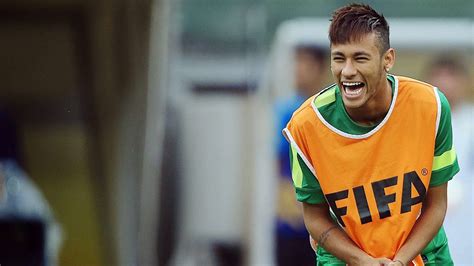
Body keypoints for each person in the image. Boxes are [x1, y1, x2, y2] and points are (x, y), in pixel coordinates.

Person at [282, 4, 459, 266]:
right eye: (339, 58)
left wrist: (399, 261)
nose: (347, 70)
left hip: (424, 257)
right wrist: (363, 261)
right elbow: (315, 217)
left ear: (387, 59)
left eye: (360, 58)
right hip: (345, 260)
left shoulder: (430, 106)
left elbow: (437, 205)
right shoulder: (305, 126)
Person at [274, 43, 328, 265]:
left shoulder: (327, 108)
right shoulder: (286, 109)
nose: (298, 69)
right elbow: (278, 163)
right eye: (295, 62)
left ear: (319, 68)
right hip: (291, 221)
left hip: (324, 222)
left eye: (305, 63)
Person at [425, 55, 473, 265]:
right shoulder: (421, 121)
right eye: (439, 76)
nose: (446, 83)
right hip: (430, 213)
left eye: (451, 76)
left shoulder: (471, 121)